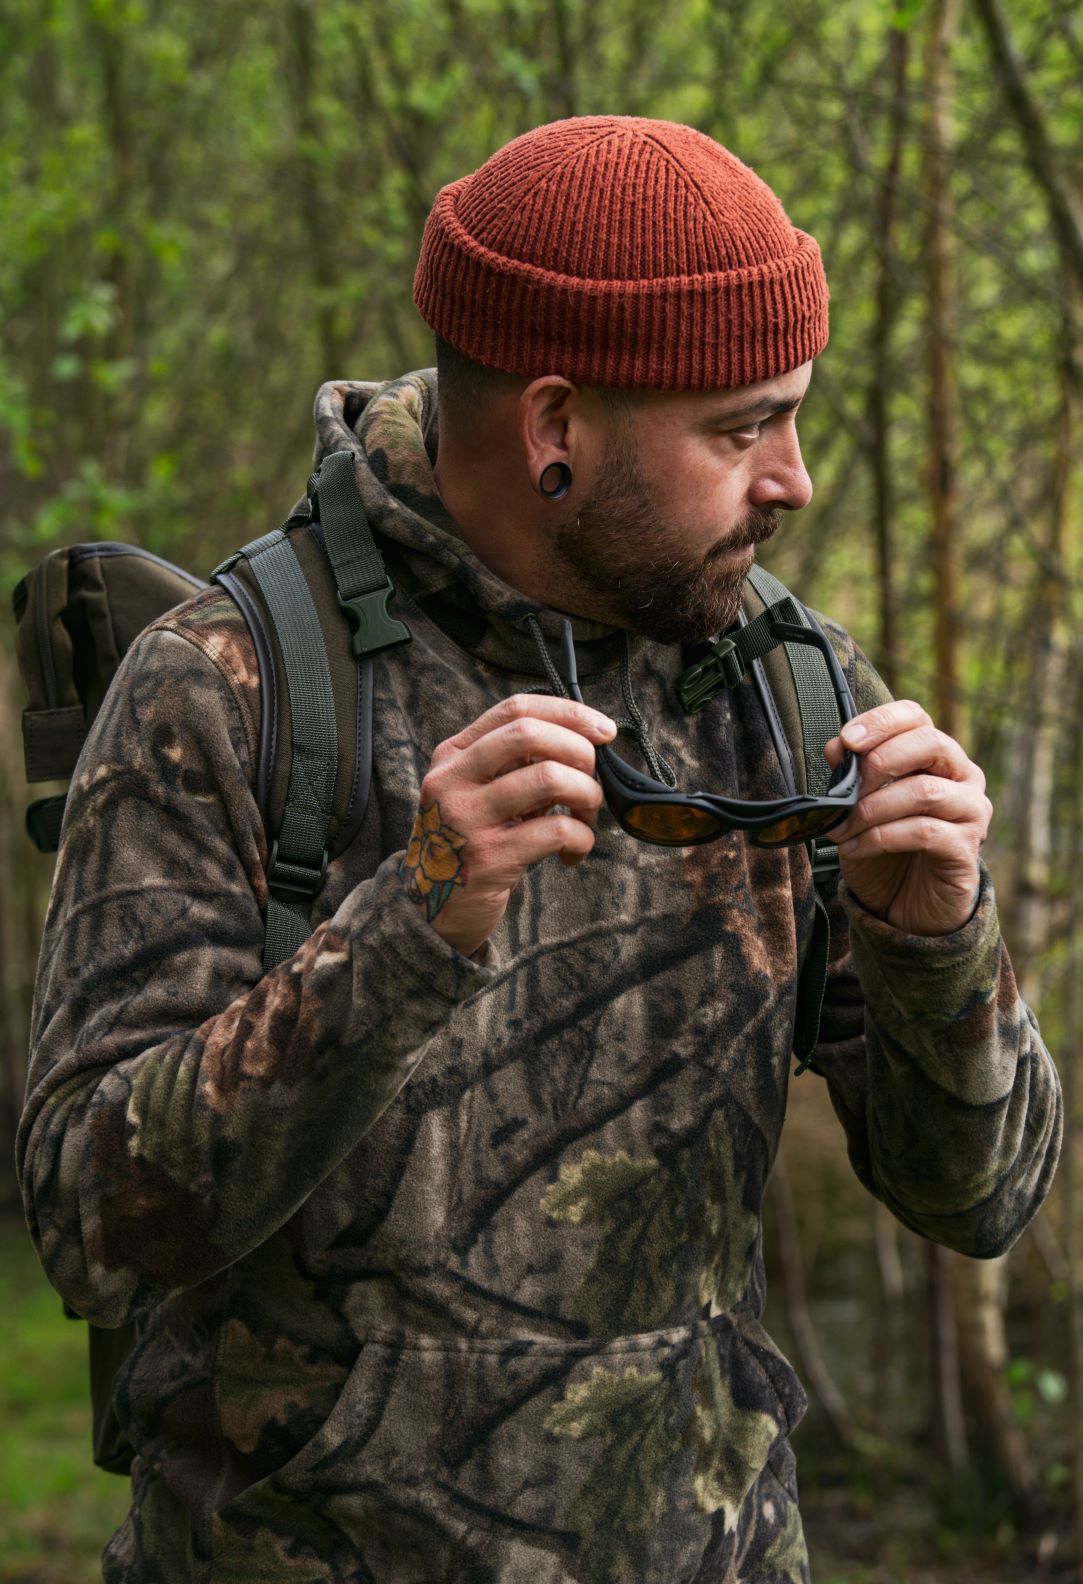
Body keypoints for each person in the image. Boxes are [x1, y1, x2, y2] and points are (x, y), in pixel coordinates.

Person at [17, 116, 1061, 1584]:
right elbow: (84, 1217)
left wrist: (936, 943)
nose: (796, 481)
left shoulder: (798, 694)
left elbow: (990, 1199)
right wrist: (407, 927)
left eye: (796, 419)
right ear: (556, 426)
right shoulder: (233, 686)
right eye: (740, 427)